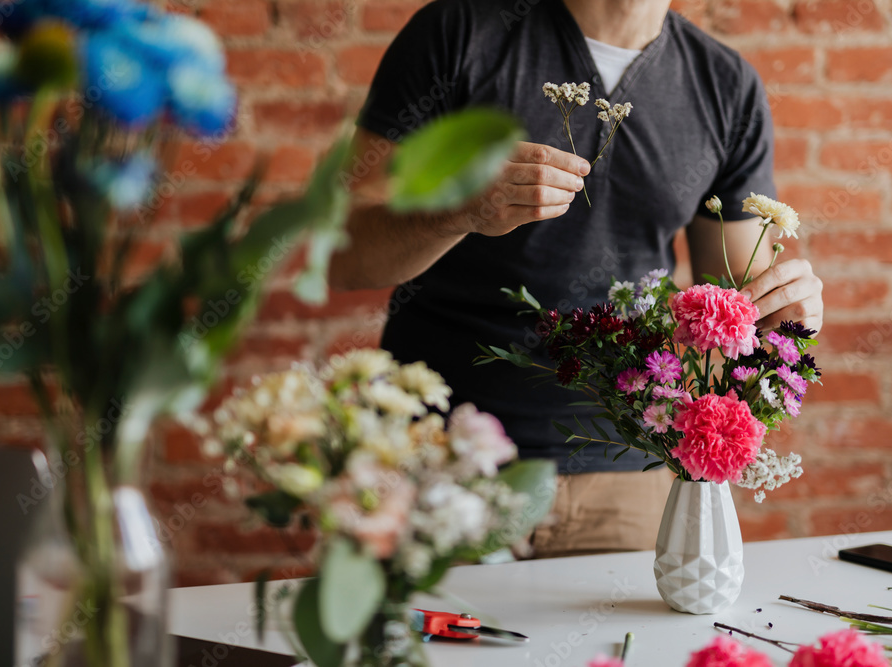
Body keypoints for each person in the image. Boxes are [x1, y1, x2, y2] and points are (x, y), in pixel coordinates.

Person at [328, 0, 824, 556]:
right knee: (421, 643)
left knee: (631, 645)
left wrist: (785, 309)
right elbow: (341, 256)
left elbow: (737, 298)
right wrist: (459, 209)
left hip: (626, 466)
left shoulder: (725, 83)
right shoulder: (459, 32)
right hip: (441, 456)